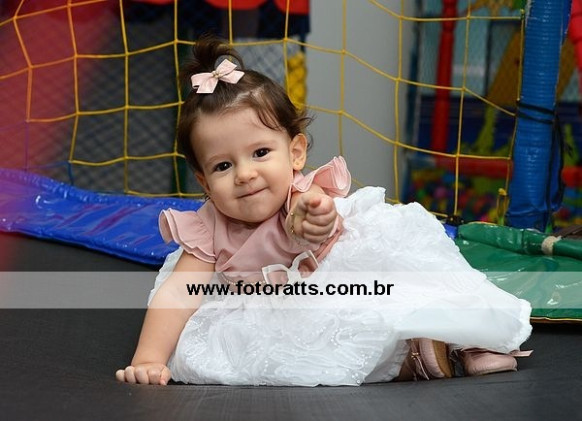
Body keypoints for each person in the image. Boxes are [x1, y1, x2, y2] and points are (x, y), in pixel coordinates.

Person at [116, 38, 532, 386]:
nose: (245, 174)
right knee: (280, 345)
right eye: (223, 165)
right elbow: (177, 293)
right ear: (205, 182)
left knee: (407, 279)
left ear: (295, 153)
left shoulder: (301, 195)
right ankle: (417, 356)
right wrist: (149, 358)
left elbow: (313, 214)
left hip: (339, 270)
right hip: (281, 307)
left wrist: (313, 216)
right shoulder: (205, 229)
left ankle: (473, 338)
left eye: (260, 153)